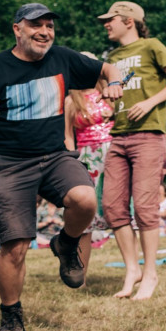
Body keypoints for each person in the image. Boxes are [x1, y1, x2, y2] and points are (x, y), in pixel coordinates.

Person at [0, 3, 123, 331]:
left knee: (84, 200)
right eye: (35, 25)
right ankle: (11, 318)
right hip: (9, 163)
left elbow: (112, 67)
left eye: (49, 26)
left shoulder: (64, 58)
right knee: (15, 245)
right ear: (17, 29)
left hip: (55, 156)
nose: (44, 32)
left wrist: (115, 83)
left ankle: (66, 244)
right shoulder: (0, 67)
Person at [99, 1, 166, 300]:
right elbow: (112, 95)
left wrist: (149, 102)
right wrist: (109, 106)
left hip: (149, 136)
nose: (105, 24)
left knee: (146, 207)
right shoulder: (112, 57)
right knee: (112, 206)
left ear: (128, 20)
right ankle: (132, 270)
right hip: (119, 136)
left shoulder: (151, 46)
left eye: (110, 20)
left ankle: (150, 273)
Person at [64, 77, 116, 270]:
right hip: (86, 157)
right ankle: (80, 273)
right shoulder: (71, 101)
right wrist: (72, 161)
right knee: (85, 217)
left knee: (120, 211)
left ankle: (134, 271)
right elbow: (67, 135)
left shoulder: (108, 94)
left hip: (113, 153)